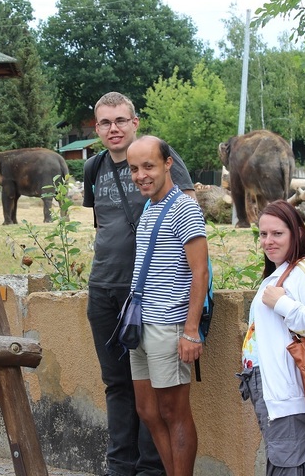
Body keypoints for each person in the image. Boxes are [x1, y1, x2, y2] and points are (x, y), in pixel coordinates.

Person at [83, 91, 196, 476]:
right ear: (97, 128)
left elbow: (188, 222)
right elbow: (103, 225)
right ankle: (120, 467)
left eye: (120, 120)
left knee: (155, 395)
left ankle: (151, 469)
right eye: (105, 122)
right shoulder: (94, 167)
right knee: (118, 385)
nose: (113, 128)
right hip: (104, 288)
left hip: (151, 295)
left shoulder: (159, 157)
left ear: (135, 122)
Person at [125, 136, 208, 476]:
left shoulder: (184, 208)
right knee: (147, 411)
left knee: (174, 412)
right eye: (134, 169)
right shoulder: (149, 208)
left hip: (169, 325)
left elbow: (200, 271)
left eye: (149, 166)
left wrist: (191, 331)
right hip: (141, 324)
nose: (141, 175)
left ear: (168, 164)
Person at [238, 200, 305, 475]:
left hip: (289, 398)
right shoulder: (281, 272)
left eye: (277, 233)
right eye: (263, 234)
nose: (268, 241)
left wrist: (283, 304)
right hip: (276, 397)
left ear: (297, 233)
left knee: (292, 466)